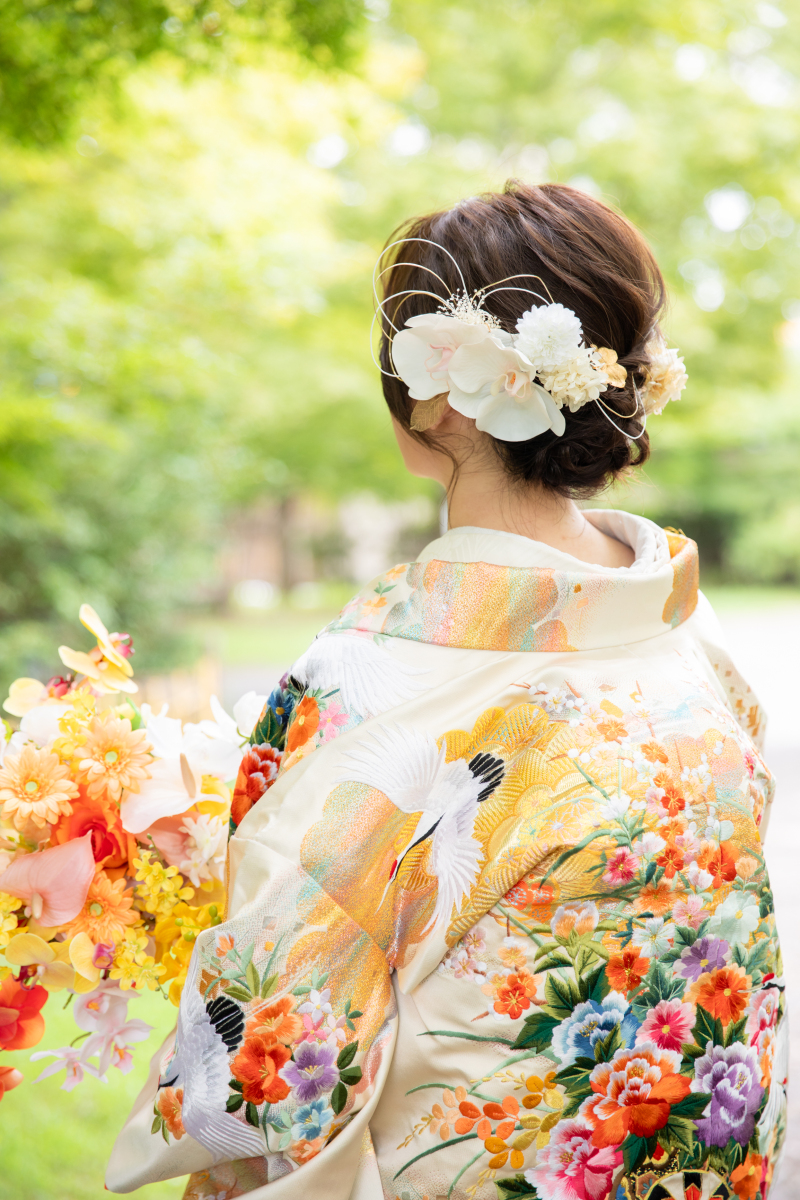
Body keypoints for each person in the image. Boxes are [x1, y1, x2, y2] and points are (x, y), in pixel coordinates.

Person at [107, 182, 786, 1200]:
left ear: (435, 393)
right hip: (699, 1148)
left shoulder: (370, 674)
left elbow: (280, 1043)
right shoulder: (687, 631)